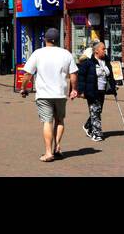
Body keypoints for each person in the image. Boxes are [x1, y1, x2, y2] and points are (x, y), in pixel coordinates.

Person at [18, 28, 78, 162]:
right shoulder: (66, 54)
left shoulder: (38, 53)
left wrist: (23, 88)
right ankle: (57, 147)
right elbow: (73, 75)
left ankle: (48, 152)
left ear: (45, 39)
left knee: (47, 121)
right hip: (60, 94)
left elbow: (27, 74)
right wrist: (73, 89)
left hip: (44, 94)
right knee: (60, 120)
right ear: (58, 40)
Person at [76, 41, 114, 142]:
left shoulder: (106, 61)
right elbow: (81, 77)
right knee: (95, 111)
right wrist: (81, 91)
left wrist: (113, 88)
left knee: (97, 111)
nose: (105, 51)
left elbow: (111, 76)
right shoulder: (88, 63)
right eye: (103, 49)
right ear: (96, 51)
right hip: (92, 90)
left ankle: (88, 126)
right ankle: (97, 133)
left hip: (102, 90)